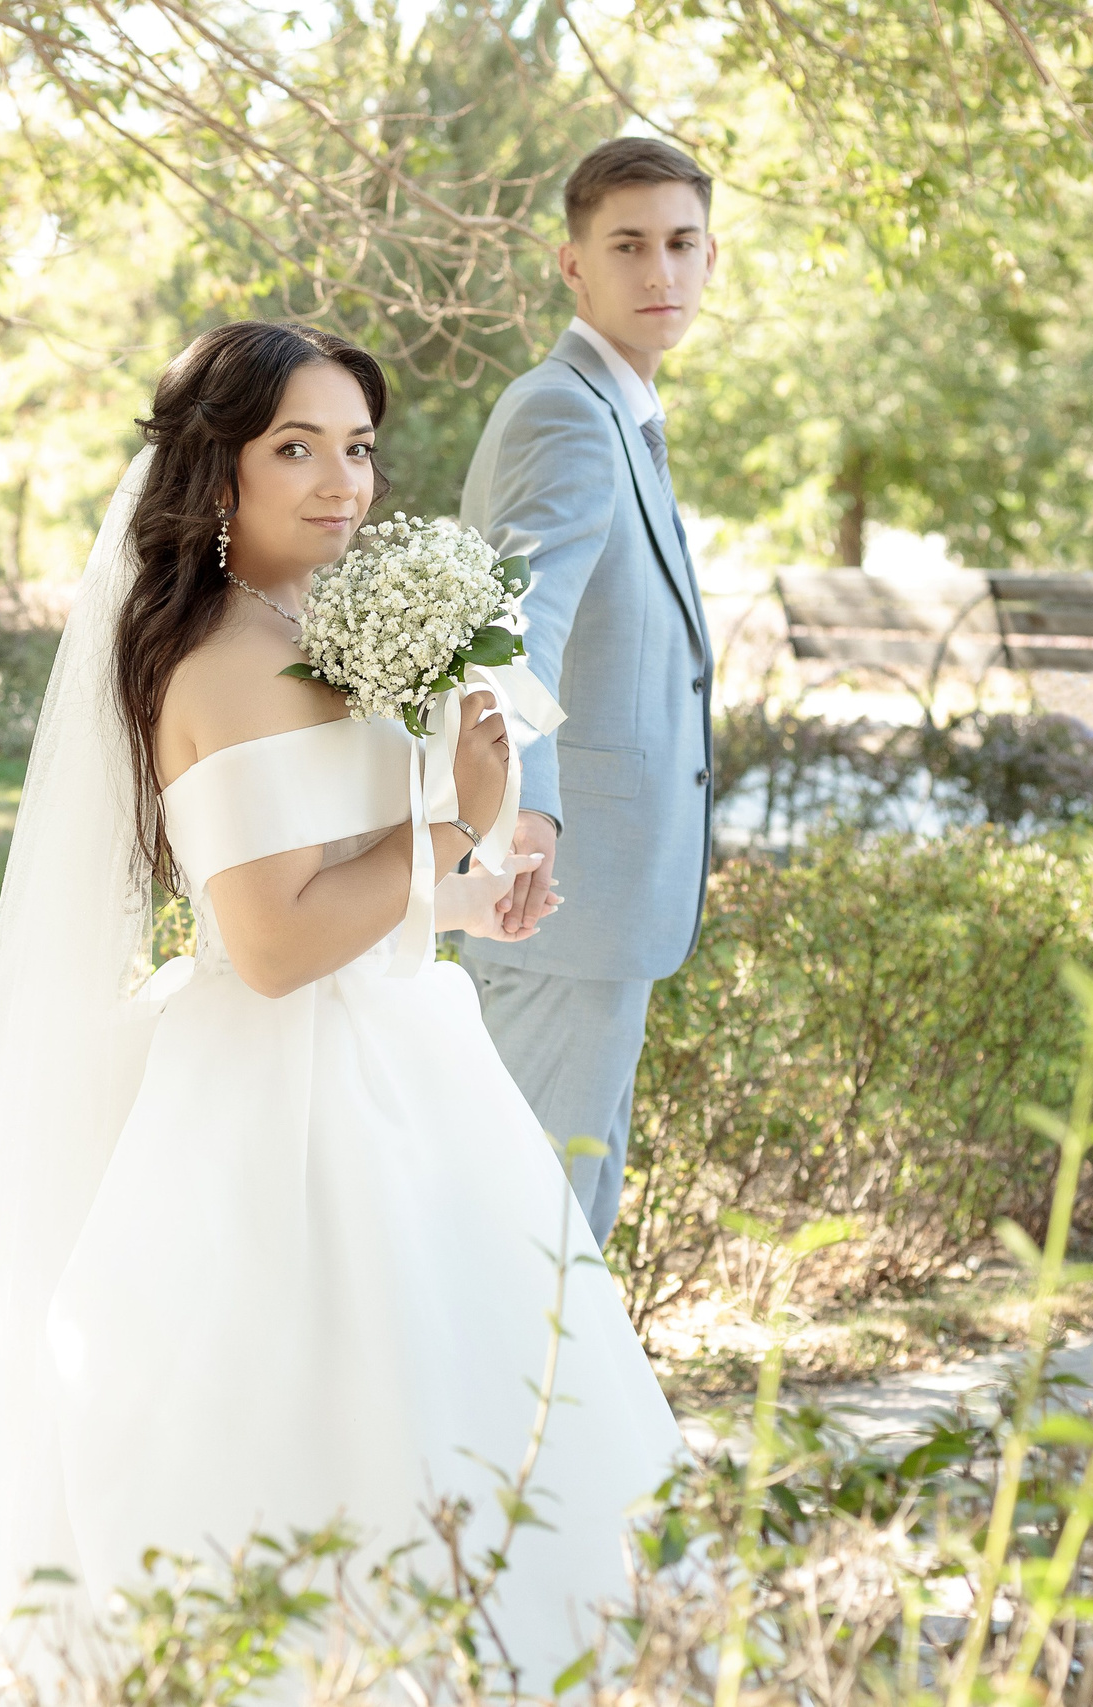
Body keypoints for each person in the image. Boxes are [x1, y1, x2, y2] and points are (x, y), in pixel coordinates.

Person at [0, 322, 680, 1702]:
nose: (342, 478)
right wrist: (454, 824)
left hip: (403, 1057)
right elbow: (275, 941)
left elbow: (352, 874)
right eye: (296, 447)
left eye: (357, 445)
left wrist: (469, 890)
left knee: (465, 1386)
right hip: (285, 1094)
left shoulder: (324, 627)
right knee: (320, 1409)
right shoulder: (221, 659)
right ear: (215, 472)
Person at [458, 137, 720, 1249]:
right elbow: (514, 619)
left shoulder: (621, 412)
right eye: (628, 246)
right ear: (573, 266)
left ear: (711, 258)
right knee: (535, 1228)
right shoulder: (563, 410)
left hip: (607, 907)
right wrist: (530, 807)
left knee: (565, 1219)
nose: (658, 272)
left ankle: (539, 1428)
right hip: (559, 894)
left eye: (680, 243)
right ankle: (501, 1430)